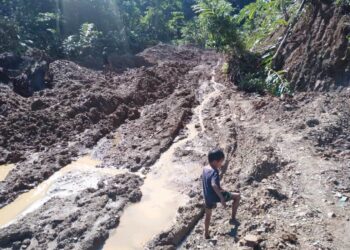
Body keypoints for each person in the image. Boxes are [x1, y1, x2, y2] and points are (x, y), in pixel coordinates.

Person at [202, 148, 240, 239]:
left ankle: (206, 233)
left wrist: (220, 189)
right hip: (215, 196)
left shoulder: (205, 168)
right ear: (215, 161)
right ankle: (233, 219)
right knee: (237, 196)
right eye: (221, 161)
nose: (221, 164)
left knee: (208, 214)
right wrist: (222, 198)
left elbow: (208, 182)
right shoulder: (215, 171)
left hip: (207, 196)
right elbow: (214, 184)